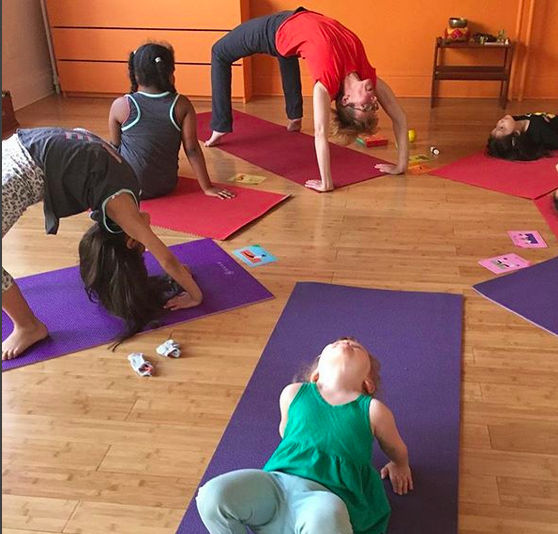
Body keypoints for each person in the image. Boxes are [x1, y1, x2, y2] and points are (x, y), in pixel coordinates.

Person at [196, 337, 413, 534]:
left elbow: (394, 446)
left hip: (324, 502)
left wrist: (400, 464)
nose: (346, 342)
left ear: (368, 383)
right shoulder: (294, 392)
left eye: (357, 347)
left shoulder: (372, 410)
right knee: (212, 494)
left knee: (327, 512)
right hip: (275, 488)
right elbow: (286, 432)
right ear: (316, 374)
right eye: (336, 342)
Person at [2, 127, 203, 360]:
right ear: (130, 239)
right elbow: (167, 259)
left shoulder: (124, 187)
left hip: (19, 145)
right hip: (19, 168)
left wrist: (180, 276)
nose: (146, 235)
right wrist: (195, 295)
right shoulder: (123, 210)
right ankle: (28, 326)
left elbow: (79, 139)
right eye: (142, 247)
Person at [204, 8, 410, 192]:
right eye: (374, 106)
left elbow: (320, 133)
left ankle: (220, 126)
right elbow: (399, 117)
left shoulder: (326, 83)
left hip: (273, 30)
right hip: (297, 17)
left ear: (346, 100)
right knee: (290, 50)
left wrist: (326, 182)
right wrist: (401, 165)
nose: (373, 100)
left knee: (219, 52)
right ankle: (294, 116)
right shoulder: (367, 74)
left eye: (366, 106)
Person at [109, 42, 234, 200]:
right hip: (166, 185)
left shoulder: (121, 105)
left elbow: (114, 148)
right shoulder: (182, 104)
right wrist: (207, 187)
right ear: (170, 74)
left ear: (135, 75)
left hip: (128, 188)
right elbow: (192, 149)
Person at [486, 91, 558, 161]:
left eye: (496, 126)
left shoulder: (517, 120)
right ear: (516, 133)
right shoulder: (539, 131)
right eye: (502, 128)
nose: (500, 122)